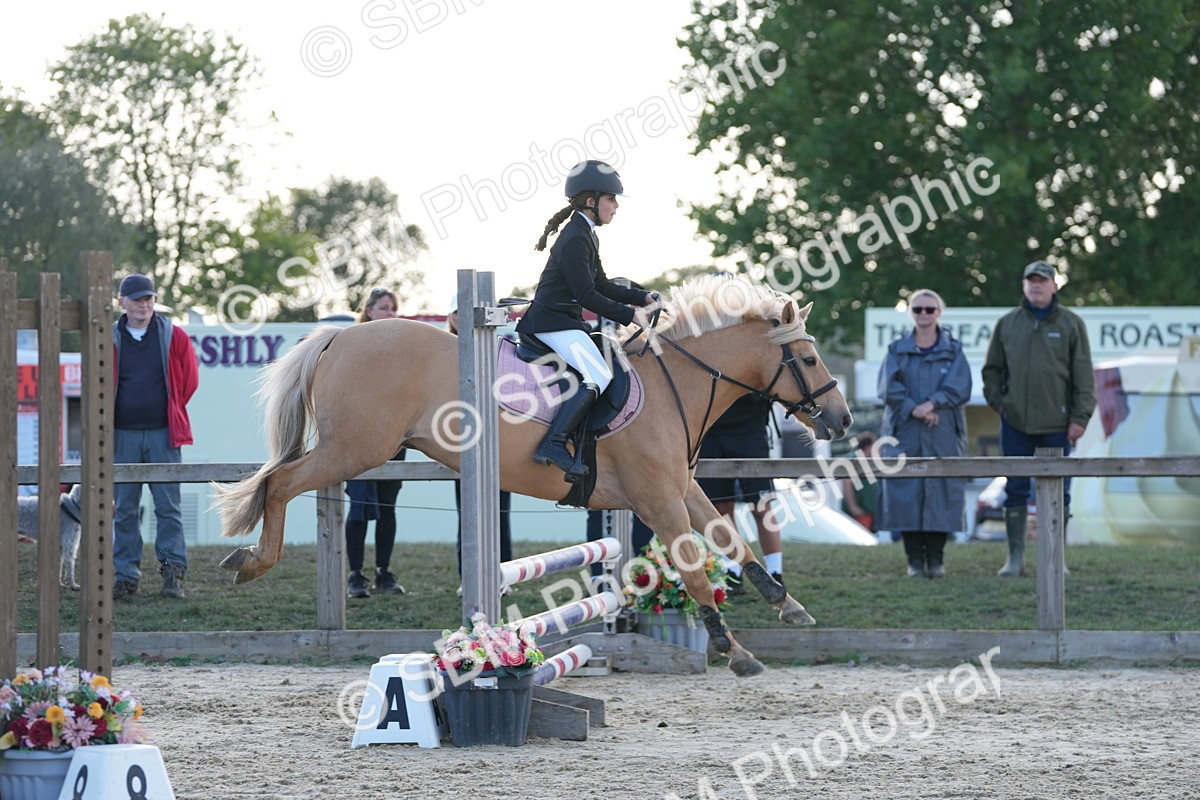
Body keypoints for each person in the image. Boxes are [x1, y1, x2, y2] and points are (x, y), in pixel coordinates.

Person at [515, 159, 660, 482]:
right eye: (612, 199)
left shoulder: (586, 233)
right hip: (550, 323)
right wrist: (630, 316)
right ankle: (552, 443)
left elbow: (602, 285)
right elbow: (586, 296)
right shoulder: (575, 237)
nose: (617, 206)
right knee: (598, 372)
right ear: (591, 201)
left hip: (564, 322)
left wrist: (643, 297)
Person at [983, 260, 1096, 577]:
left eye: (1043, 280)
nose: (1036, 285)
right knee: (1015, 489)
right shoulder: (1008, 323)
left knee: (1060, 491)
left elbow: (1084, 378)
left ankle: (1055, 560)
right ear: (1023, 286)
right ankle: (1015, 560)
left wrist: (1079, 418)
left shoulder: (1072, 324)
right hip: (1015, 422)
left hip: (1058, 426)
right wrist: (1000, 403)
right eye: (1031, 280)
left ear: (1054, 286)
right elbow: (992, 370)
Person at [111, 274, 199, 600]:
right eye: (136, 299)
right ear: (122, 302)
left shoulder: (173, 335)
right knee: (124, 510)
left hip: (164, 434)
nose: (143, 305)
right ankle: (125, 577)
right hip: (122, 435)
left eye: (148, 299)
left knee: (168, 508)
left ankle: (173, 574)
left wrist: (169, 410)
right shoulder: (108, 337)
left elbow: (189, 381)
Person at [876, 289, 972, 578]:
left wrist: (933, 404)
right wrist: (914, 409)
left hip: (942, 432)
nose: (924, 314)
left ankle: (937, 560)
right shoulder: (896, 349)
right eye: (918, 309)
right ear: (911, 312)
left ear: (939, 312)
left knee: (942, 491)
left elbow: (961, 386)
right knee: (906, 492)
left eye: (930, 309)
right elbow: (887, 387)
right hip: (905, 432)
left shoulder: (953, 350)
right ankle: (914, 561)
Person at [343, 288, 406, 598]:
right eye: (384, 308)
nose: (391, 314)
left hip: (396, 441)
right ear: (367, 311)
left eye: (394, 308)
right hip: (357, 439)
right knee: (358, 508)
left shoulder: (403, 349)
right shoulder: (351, 345)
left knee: (388, 507)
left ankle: (384, 571)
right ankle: (355, 575)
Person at [447, 295, 514, 579]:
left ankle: (503, 574)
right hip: (462, 441)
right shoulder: (442, 353)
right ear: (451, 317)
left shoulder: (497, 349)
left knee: (500, 513)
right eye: (458, 313)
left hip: (496, 439)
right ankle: (469, 577)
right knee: (469, 515)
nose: (463, 319)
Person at [696, 394, 786, 591]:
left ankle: (775, 573)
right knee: (721, 511)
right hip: (710, 428)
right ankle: (732, 572)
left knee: (761, 506)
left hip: (750, 429)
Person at [840, 431, 881, 533]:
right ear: (868, 446)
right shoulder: (854, 458)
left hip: (868, 510)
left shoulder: (869, 459)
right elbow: (847, 482)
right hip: (859, 512)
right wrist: (853, 506)